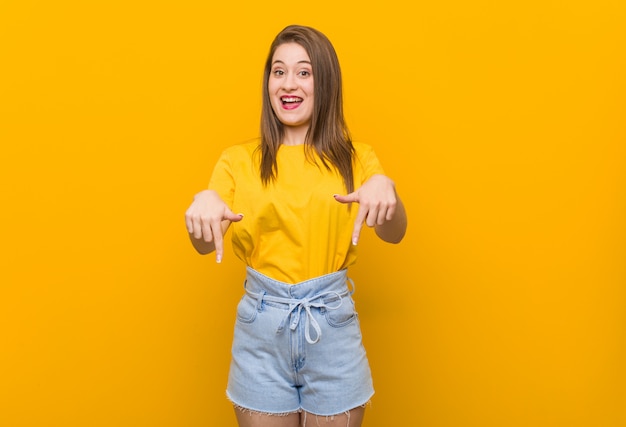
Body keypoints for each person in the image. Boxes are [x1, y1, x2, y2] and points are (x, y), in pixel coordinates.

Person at [185, 25, 407, 427]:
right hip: (261, 327)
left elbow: (395, 233)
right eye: (279, 71)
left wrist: (386, 190)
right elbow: (204, 244)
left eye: (304, 72)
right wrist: (202, 211)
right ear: (268, 80)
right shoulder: (237, 161)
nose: (289, 84)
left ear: (326, 83)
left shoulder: (356, 159)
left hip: (331, 325)